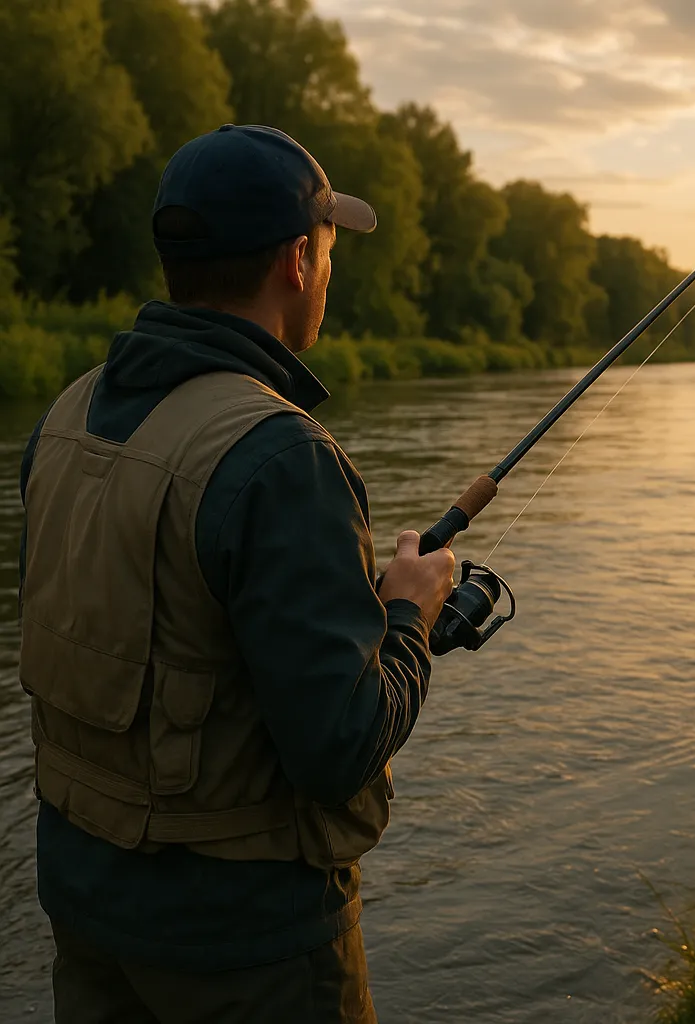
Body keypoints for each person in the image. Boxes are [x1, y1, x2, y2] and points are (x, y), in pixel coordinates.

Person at [19, 124, 456, 1024]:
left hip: (84, 908)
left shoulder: (62, 418)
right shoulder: (279, 457)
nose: (330, 272)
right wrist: (408, 619)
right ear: (298, 261)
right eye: (330, 250)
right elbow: (340, 744)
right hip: (248, 948)